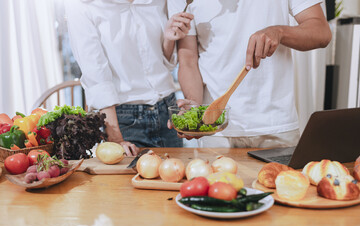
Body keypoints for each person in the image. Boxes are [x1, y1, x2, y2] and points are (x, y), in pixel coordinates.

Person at [168, 0, 332, 148]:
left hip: (275, 128)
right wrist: (195, 108)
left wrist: (279, 32)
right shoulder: (186, 2)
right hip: (217, 131)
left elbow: (321, 32)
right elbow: (188, 60)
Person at [65, 0, 193, 156]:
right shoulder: (82, 6)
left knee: (174, 176)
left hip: (167, 110)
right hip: (124, 120)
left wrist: (169, 39)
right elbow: (97, 78)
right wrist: (116, 139)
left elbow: (164, 63)